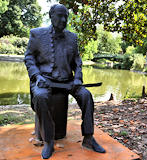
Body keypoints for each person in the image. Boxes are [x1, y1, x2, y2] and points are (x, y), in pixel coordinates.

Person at [24, 4, 105, 159]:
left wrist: (77, 78)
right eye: (60, 16)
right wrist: (37, 76)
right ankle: (48, 140)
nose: (63, 20)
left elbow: (77, 62)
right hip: (45, 81)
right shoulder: (36, 34)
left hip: (68, 82)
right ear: (51, 15)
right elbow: (29, 58)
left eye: (65, 17)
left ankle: (88, 137)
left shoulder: (72, 37)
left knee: (86, 95)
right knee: (40, 97)